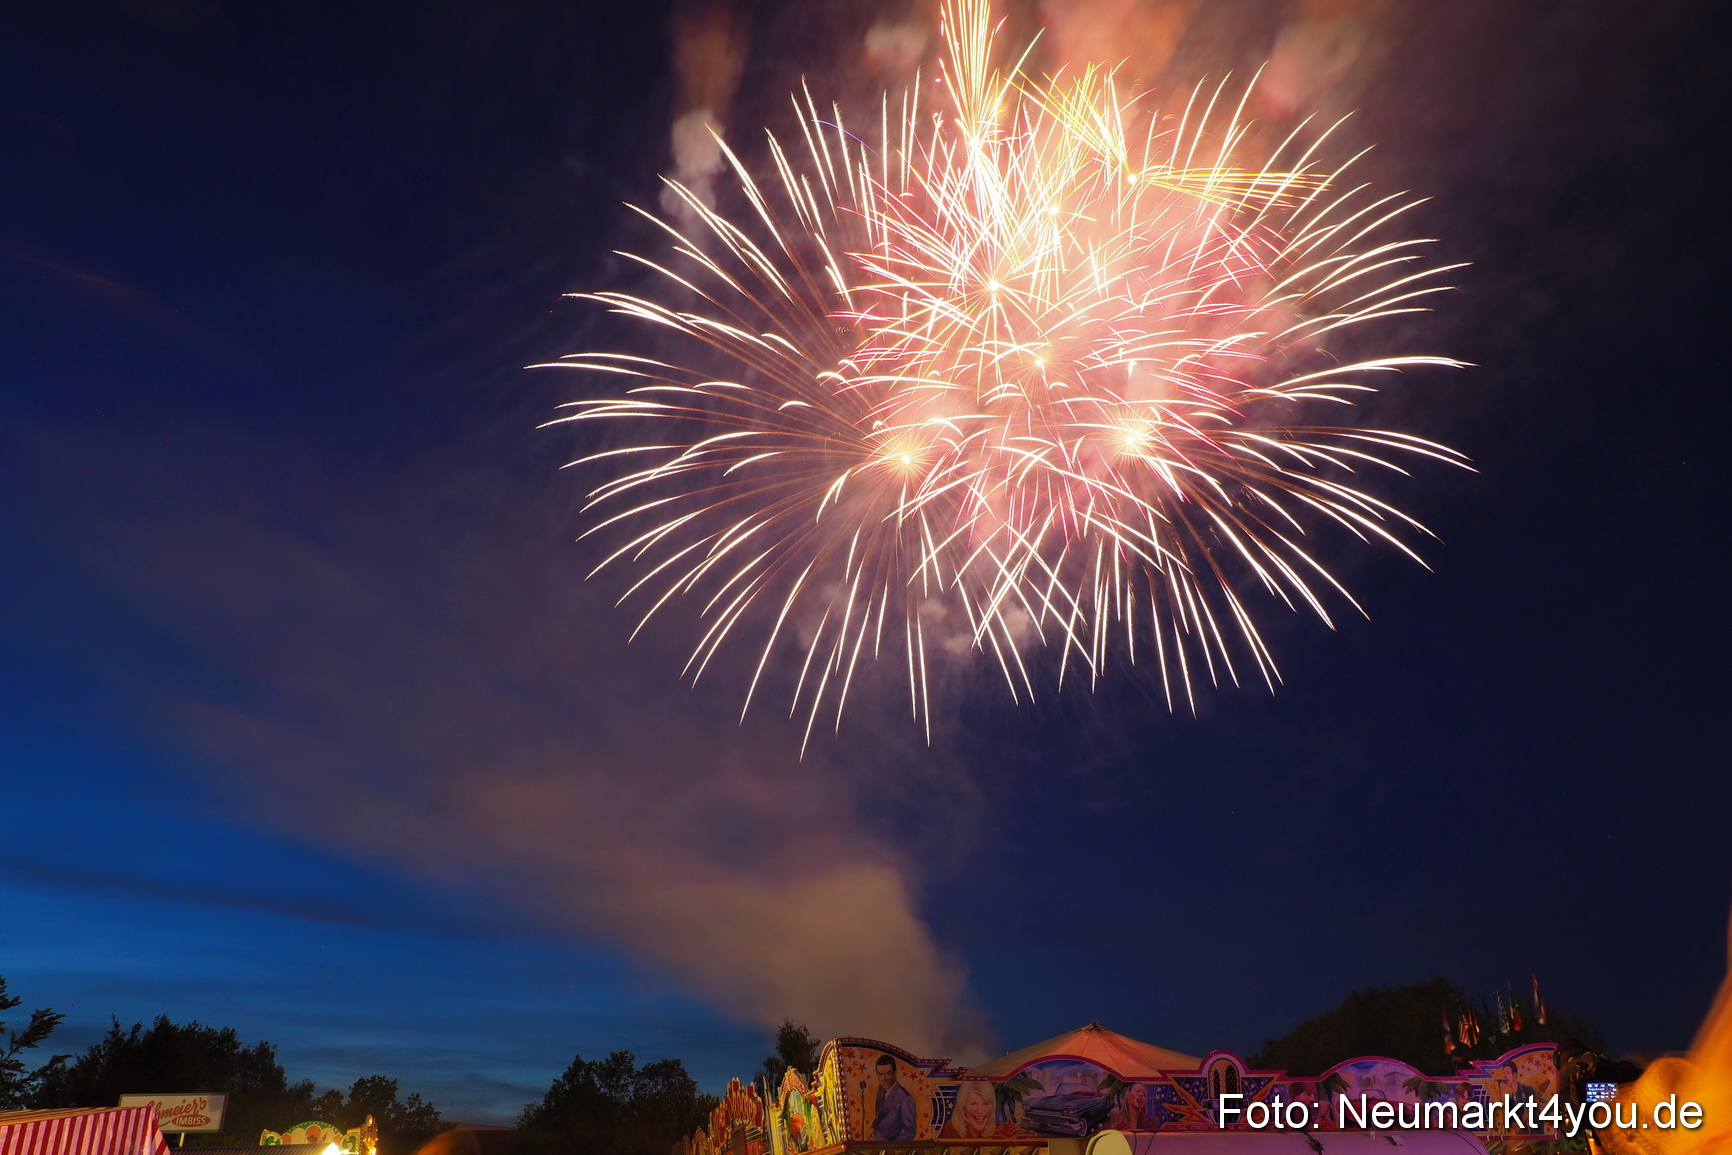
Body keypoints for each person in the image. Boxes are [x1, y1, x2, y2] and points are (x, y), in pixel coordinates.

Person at [872, 1054, 917, 1141]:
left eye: (888, 1074)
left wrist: (891, 1147)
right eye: (880, 1074)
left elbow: (910, 1130)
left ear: (895, 1073)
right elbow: (881, 1115)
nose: (883, 1079)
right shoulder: (880, 1089)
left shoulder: (906, 1099)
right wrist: (873, 1127)